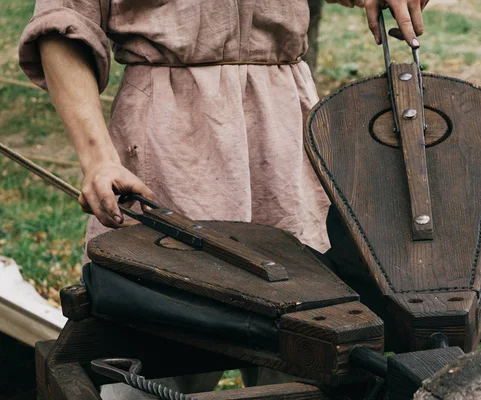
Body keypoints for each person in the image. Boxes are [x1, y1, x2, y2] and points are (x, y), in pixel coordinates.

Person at [18, 0, 428, 394]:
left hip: (284, 143)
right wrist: (97, 159)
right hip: (170, 143)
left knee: (307, 349)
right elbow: (65, 22)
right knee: (155, 355)